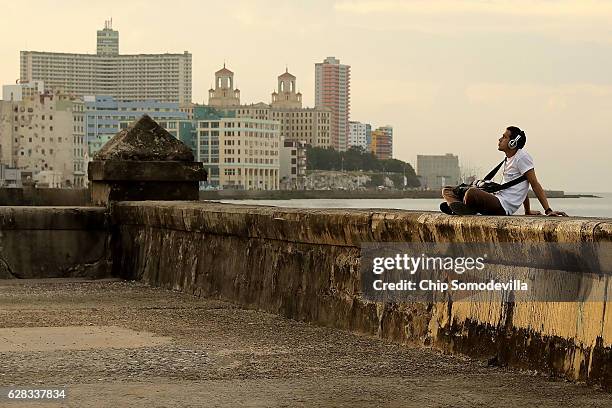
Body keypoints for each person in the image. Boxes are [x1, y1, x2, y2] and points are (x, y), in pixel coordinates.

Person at [441, 126, 568, 216]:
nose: (500, 139)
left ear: (513, 143)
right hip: (497, 198)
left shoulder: (522, 157)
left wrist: (548, 210)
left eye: (504, 137)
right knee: (447, 189)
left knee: (471, 193)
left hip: (503, 206)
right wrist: (527, 211)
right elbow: (519, 185)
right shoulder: (508, 159)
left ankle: (462, 208)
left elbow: (534, 183)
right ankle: (461, 208)